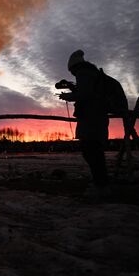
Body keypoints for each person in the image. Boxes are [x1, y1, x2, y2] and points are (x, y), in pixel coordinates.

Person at [59, 50, 110, 195]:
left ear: (74, 66)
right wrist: (74, 89)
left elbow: (85, 95)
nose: (73, 74)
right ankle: (101, 184)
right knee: (94, 151)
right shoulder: (91, 74)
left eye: (72, 71)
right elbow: (89, 93)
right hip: (96, 117)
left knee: (91, 151)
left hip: (91, 118)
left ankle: (101, 186)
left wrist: (70, 96)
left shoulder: (84, 74)